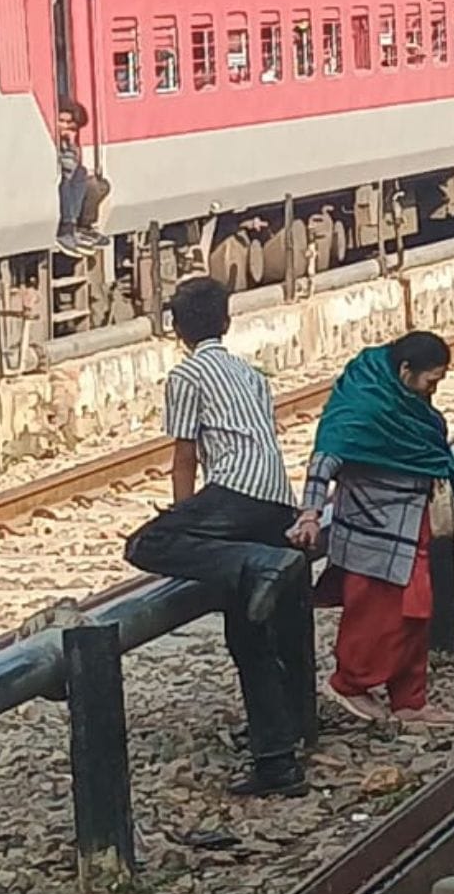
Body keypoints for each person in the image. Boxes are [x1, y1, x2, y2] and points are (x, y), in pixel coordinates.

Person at [123, 277, 313, 796]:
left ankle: (257, 564)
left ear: (175, 328)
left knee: (147, 543)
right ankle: (281, 758)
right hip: (277, 497)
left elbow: (184, 458)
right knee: (253, 632)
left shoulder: (186, 376)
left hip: (234, 491)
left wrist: (185, 518)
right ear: (226, 322)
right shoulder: (250, 374)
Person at [287, 331, 454, 727]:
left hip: (411, 521)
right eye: (430, 381)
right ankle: (349, 682)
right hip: (371, 527)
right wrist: (309, 513)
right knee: (377, 614)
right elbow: (326, 456)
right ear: (405, 371)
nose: (433, 390)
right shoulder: (363, 402)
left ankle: (409, 698)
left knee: (416, 612)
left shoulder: (406, 402)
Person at [57, 102, 102, 257]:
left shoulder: (67, 143)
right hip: (56, 183)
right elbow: (67, 170)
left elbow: (71, 166)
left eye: (70, 125)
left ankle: (78, 227)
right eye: (61, 121)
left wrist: (71, 144)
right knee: (66, 182)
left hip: (66, 178)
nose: (64, 126)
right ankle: (66, 228)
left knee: (85, 176)